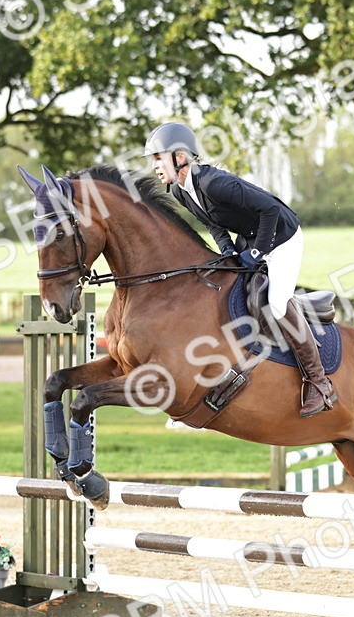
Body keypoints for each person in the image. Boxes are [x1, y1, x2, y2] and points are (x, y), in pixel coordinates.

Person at [143, 121, 338, 417]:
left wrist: (257, 252)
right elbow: (213, 224)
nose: (155, 166)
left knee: (276, 302)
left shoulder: (213, 182)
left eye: (159, 157)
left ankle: (319, 382)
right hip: (251, 238)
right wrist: (228, 251)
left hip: (282, 236)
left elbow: (270, 210)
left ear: (180, 157)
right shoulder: (179, 190)